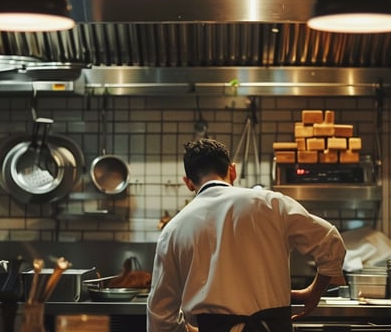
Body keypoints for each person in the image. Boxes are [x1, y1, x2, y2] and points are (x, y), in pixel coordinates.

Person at [147, 138, 347, 332]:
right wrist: (315, 291)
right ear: (232, 171)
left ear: (188, 183)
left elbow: (160, 316)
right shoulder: (271, 204)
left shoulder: (173, 229)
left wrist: (185, 329)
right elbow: (331, 242)